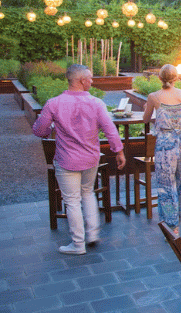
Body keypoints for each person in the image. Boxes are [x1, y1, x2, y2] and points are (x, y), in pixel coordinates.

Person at [33, 64, 126, 255]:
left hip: (66, 160)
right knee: (87, 192)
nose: (92, 81)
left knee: (72, 201)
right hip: (91, 159)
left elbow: (39, 130)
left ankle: (78, 244)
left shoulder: (54, 103)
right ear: (82, 80)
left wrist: (53, 127)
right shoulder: (96, 103)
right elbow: (110, 130)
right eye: (90, 78)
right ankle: (92, 234)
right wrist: (119, 151)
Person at [142, 65, 181, 235]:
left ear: (159, 78)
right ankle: (178, 216)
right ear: (176, 78)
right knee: (180, 180)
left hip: (165, 145)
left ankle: (172, 225)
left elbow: (146, 119)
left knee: (165, 184)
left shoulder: (154, 96)